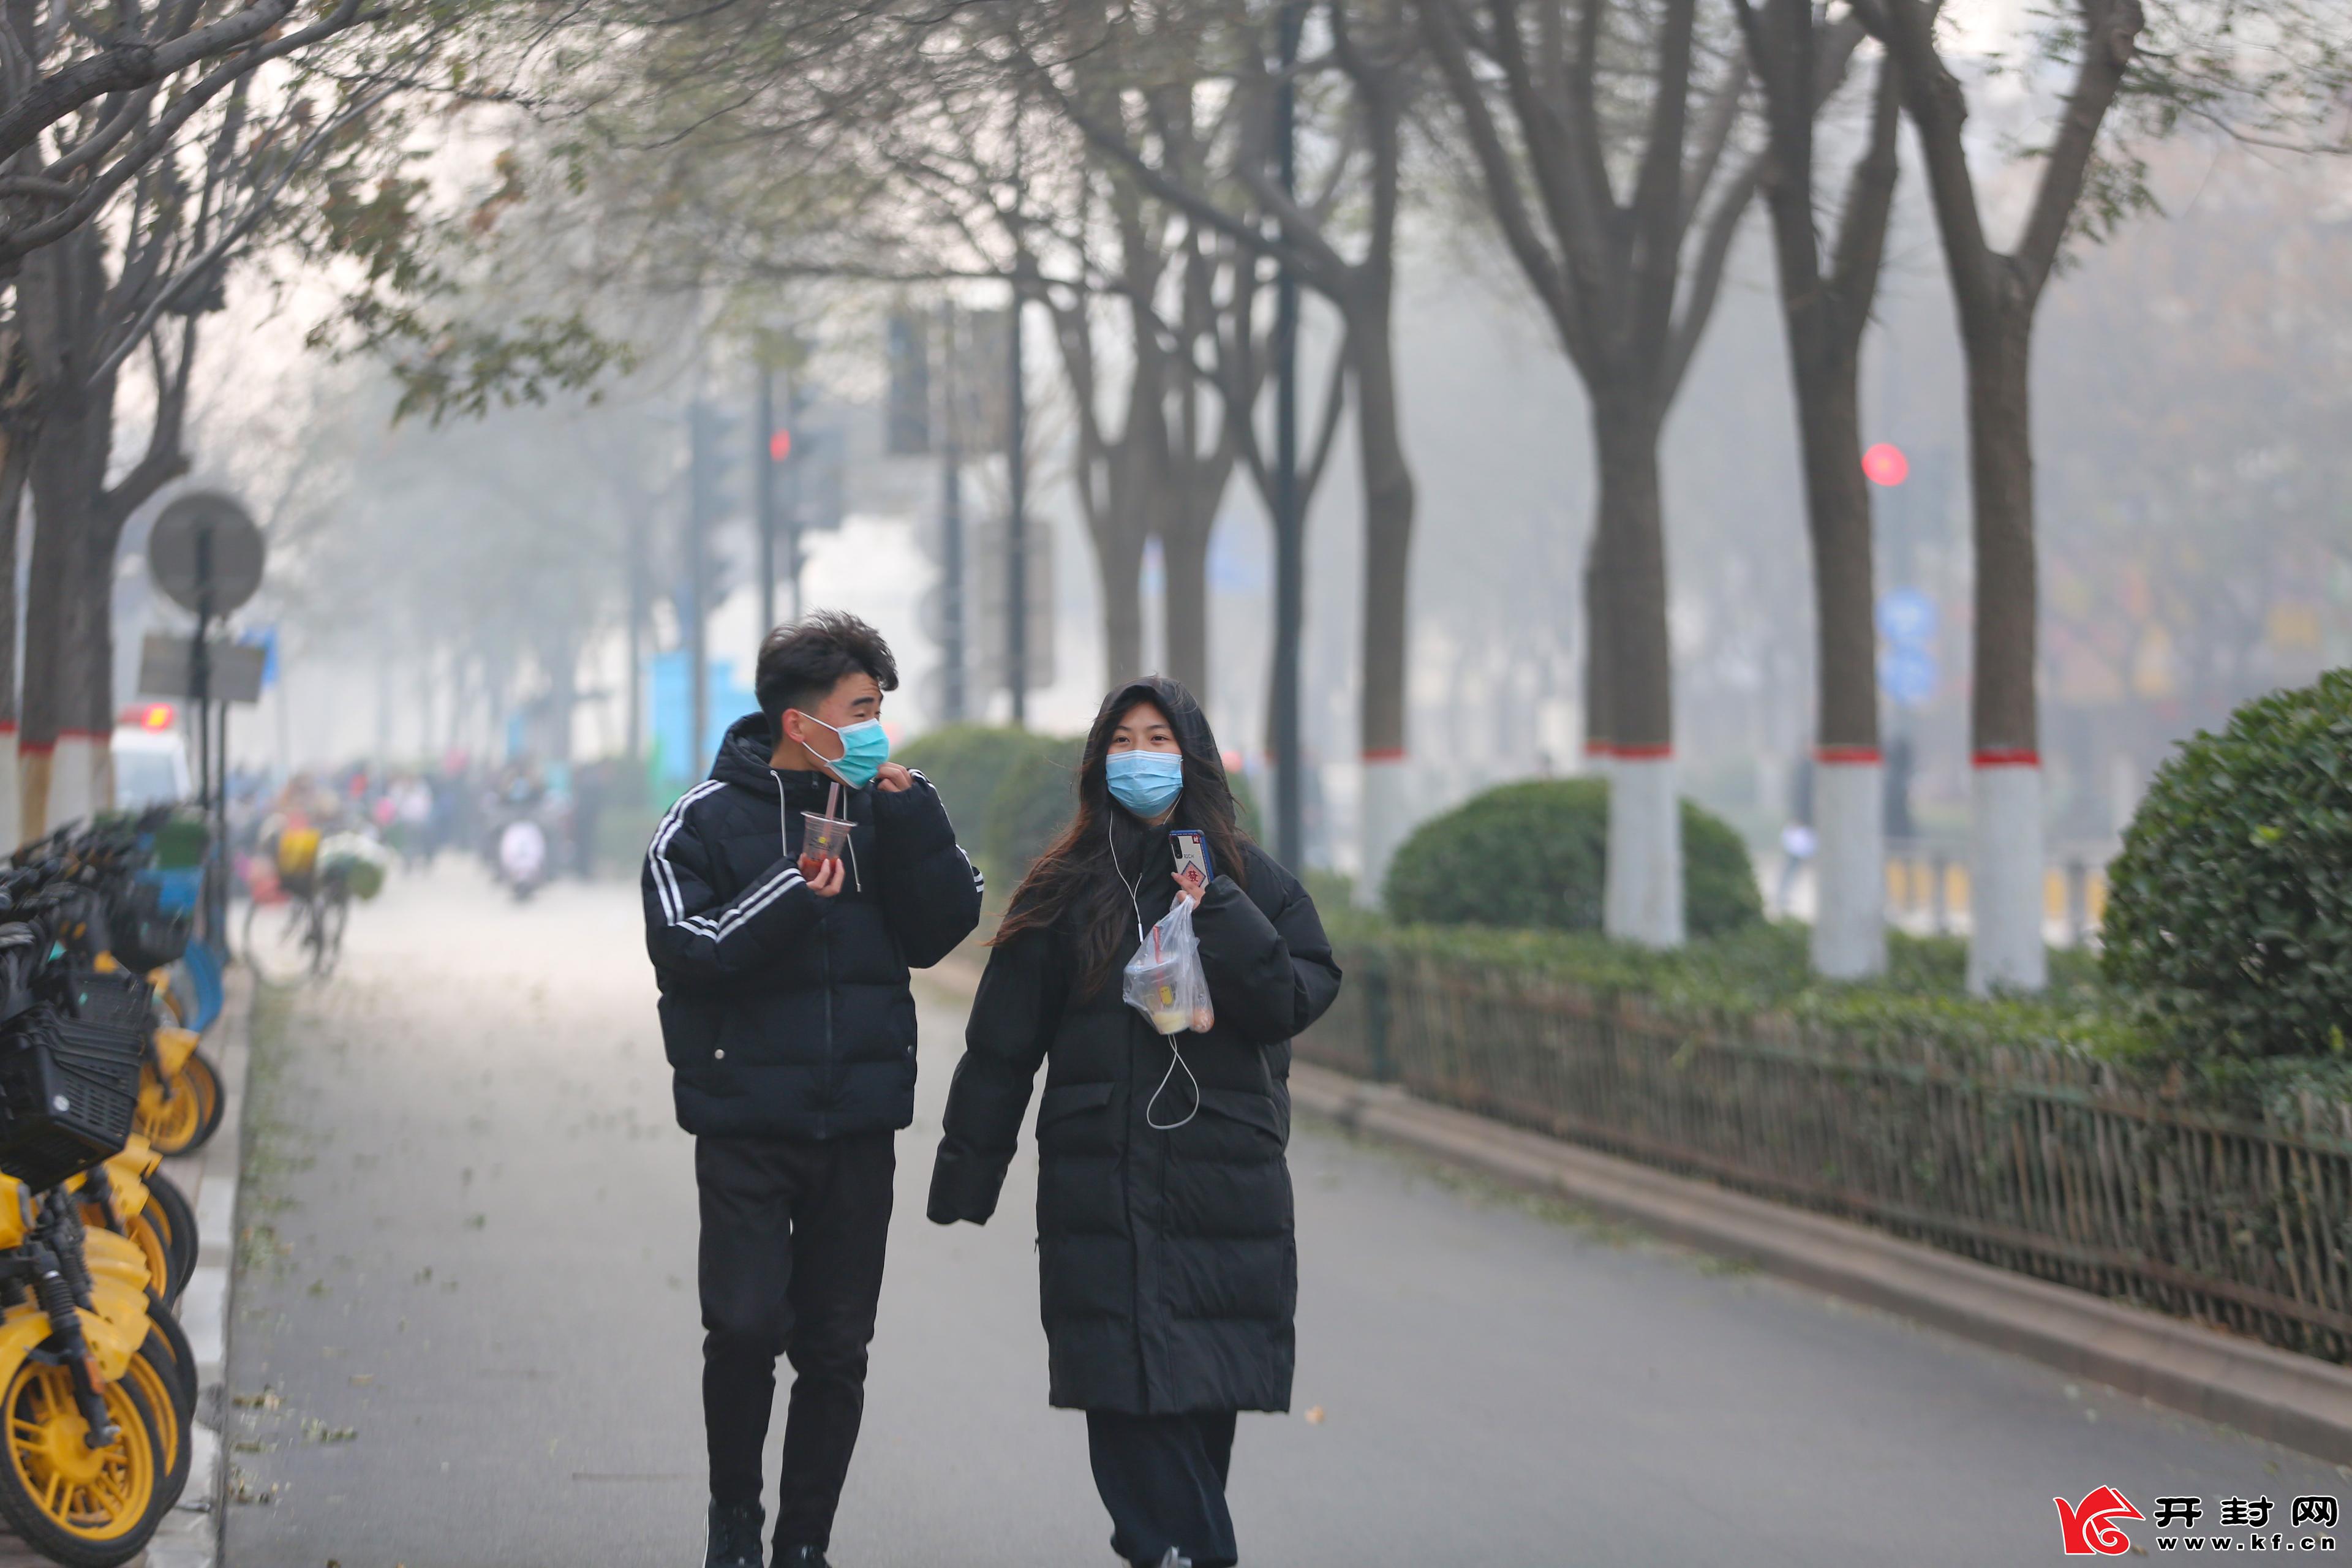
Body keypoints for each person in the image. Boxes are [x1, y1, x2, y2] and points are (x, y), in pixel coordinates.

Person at [928, 676, 1341, 1568]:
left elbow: (1289, 996)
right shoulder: (1064, 886)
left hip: (1220, 1194)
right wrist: (968, 1170)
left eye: (1160, 741)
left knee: (1196, 1414)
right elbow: (1003, 1044)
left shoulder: (1249, 883)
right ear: (1097, 762)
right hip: (1101, 1190)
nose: (1141, 758)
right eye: (1124, 741)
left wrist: (1215, 903)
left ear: (1191, 760)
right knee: (1128, 1411)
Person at [643, 611, 985, 1568]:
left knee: (838, 1350)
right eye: (862, 709)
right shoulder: (701, 824)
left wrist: (913, 812)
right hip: (746, 1126)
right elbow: (688, 949)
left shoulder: (889, 810)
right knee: (745, 1328)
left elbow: (942, 926)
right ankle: (734, 1523)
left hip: (858, 1127)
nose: (878, 727)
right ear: (803, 723)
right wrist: (795, 889)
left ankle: (803, 1545)